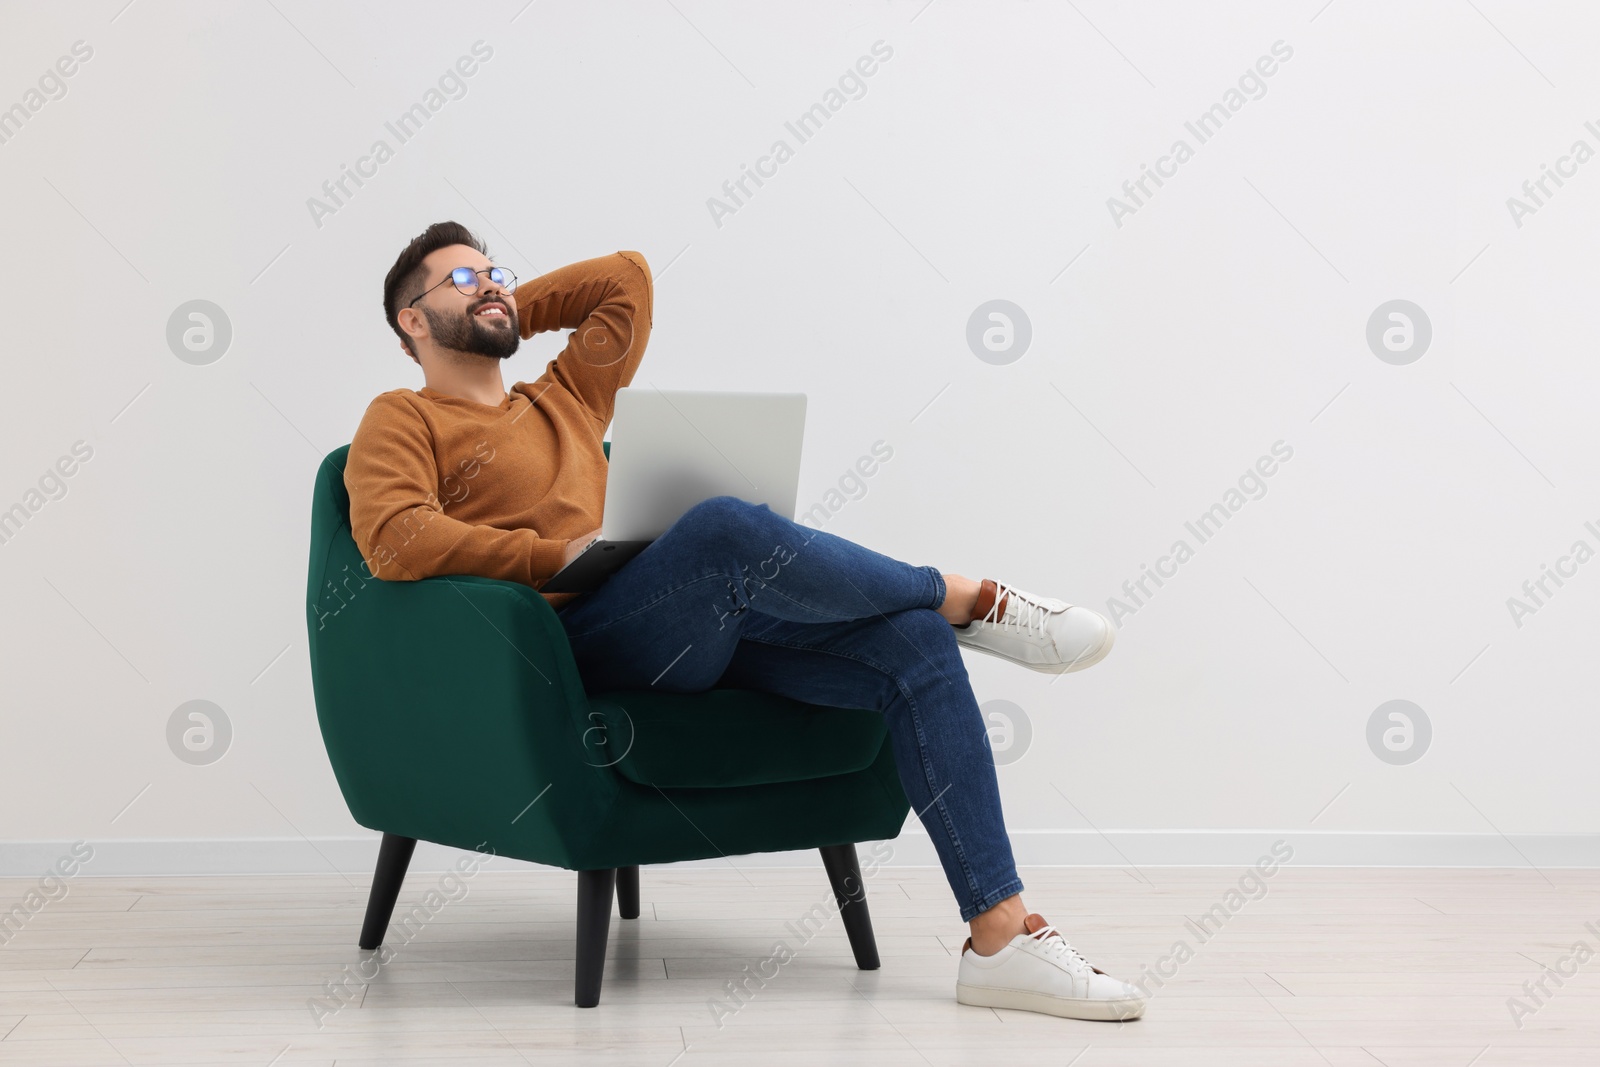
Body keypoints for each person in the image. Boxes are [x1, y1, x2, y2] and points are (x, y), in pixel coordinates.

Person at [345, 220, 1146, 1022]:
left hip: (687, 625)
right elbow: (394, 538)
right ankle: (961, 595)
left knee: (916, 649)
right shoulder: (402, 417)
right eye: (460, 280)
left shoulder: (565, 397)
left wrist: (502, 298)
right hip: (572, 646)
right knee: (725, 526)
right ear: (410, 321)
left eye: (496, 272)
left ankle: (999, 938)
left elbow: (627, 279)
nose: (488, 283)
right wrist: (553, 557)